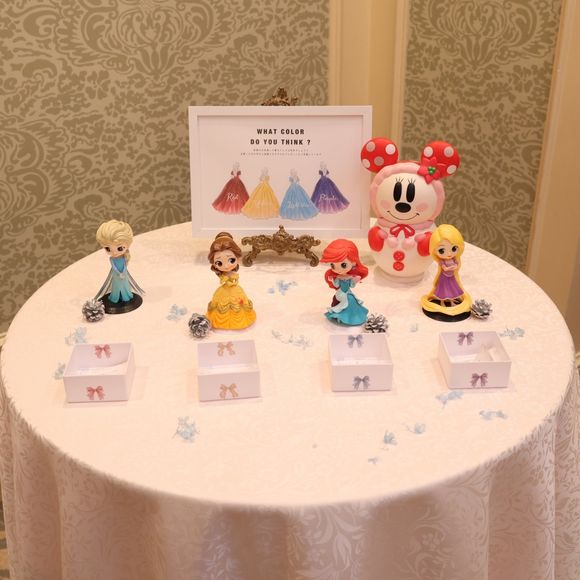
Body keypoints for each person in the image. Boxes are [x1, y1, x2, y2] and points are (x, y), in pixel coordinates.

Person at [420, 224, 472, 319]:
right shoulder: (442, 261)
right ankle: (442, 301)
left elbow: (456, 265)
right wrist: (450, 268)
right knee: (443, 290)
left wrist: (453, 267)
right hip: (444, 278)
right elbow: (444, 267)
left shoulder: (454, 259)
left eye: (453, 248)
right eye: (442, 250)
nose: (448, 254)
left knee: (452, 289)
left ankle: (451, 301)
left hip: (451, 277)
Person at [206, 232, 256, 330]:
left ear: (237, 258)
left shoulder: (233, 273)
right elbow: (223, 281)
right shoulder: (224, 275)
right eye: (219, 263)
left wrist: (233, 281)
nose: (226, 266)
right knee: (222, 304)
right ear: (214, 264)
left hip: (235, 291)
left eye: (231, 260)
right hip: (224, 291)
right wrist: (228, 281)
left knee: (239, 303)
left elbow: (235, 279)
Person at [95, 220, 144, 313]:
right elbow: (114, 267)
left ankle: (126, 296)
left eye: (119, 248)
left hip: (124, 275)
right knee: (117, 286)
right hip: (116, 275)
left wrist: (123, 272)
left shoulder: (124, 257)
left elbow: (125, 265)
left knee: (125, 285)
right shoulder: (112, 259)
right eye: (108, 249)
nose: (114, 252)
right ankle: (115, 297)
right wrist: (119, 273)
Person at [321, 239, 369, 326]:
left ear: (353, 262)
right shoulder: (338, 277)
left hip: (348, 292)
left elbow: (352, 285)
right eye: (332, 265)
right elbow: (336, 285)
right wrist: (333, 280)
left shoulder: (349, 276)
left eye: (343, 265)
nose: (338, 270)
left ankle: (353, 316)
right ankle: (343, 316)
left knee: (352, 299)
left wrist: (355, 280)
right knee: (348, 300)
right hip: (340, 293)